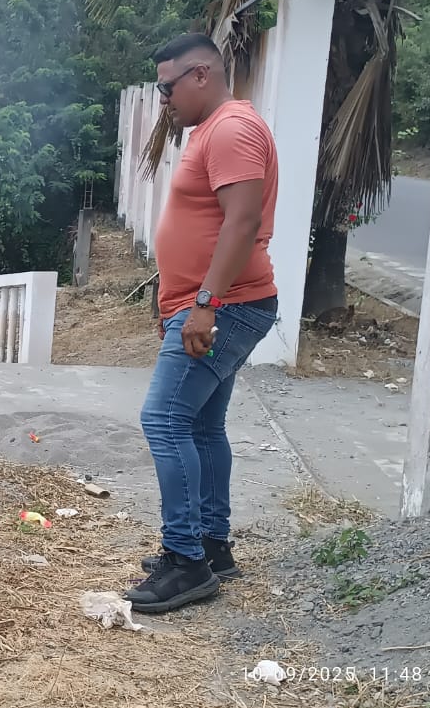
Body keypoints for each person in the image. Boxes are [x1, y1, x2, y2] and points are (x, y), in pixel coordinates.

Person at [125, 33, 280, 613]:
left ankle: (186, 562)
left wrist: (205, 303)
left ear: (200, 75)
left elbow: (242, 222)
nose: (163, 99)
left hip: (226, 305)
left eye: (166, 87)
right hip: (218, 303)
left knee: (164, 419)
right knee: (202, 426)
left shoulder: (232, 130)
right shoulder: (216, 129)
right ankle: (212, 546)